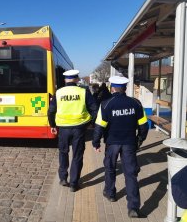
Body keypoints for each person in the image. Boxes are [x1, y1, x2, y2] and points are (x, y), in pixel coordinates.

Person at [92, 75, 149, 218]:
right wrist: (139, 140)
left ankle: (110, 194)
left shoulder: (105, 104)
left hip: (112, 143)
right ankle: (133, 207)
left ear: (112, 88)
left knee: (110, 168)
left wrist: (96, 142)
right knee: (131, 174)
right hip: (129, 143)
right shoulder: (136, 103)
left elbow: (99, 126)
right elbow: (144, 126)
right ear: (125, 88)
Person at [48, 69, 98, 192]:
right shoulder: (83, 92)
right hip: (79, 128)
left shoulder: (58, 93)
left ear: (65, 80)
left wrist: (53, 125)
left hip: (63, 128)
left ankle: (63, 178)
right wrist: (91, 123)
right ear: (76, 79)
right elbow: (95, 109)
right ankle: (74, 183)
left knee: (63, 152)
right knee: (77, 155)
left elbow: (51, 111)